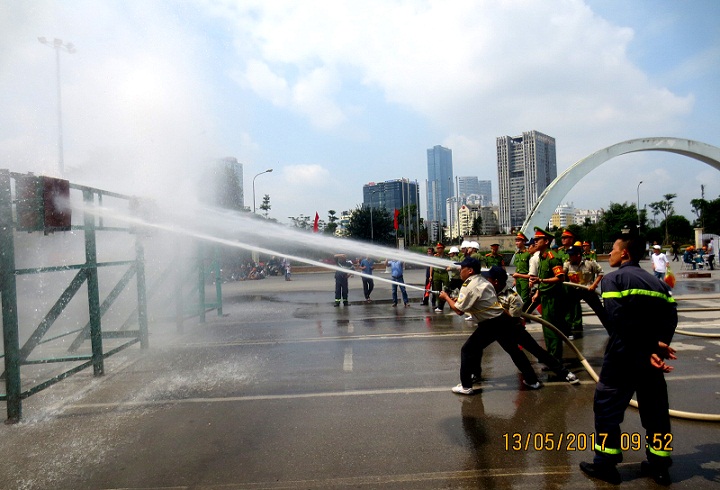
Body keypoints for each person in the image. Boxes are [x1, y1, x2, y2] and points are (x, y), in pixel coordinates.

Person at [579, 233, 677, 486]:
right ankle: (660, 467)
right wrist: (659, 346)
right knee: (656, 412)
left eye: (612, 249)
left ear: (624, 253)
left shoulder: (614, 279)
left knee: (607, 409)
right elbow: (671, 318)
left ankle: (605, 465)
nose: (609, 253)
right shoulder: (659, 285)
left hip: (624, 355)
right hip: (650, 359)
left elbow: (617, 321)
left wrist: (648, 347)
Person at [439, 258, 546, 394]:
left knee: (467, 350)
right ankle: (532, 381)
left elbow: (459, 311)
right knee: (513, 350)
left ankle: (466, 386)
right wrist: (457, 300)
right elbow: (479, 302)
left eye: (462, 268)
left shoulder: (469, 285)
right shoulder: (482, 281)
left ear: (470, 270)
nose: (460, 271)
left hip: (490, 324)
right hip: (501, 320)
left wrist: (446, 298)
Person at [485, 266, 579, 385]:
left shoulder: (513, 297)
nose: (487, 282)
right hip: (495, 328)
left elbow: (513, 320)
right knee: (474, 349)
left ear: (496, 281)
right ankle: (531, 379)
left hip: (513, 329)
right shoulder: (488, 292)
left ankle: (565, 374)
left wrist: (498, 308)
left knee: (536, 351)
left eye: (489, 279)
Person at [528, 227, 570, 362]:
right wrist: (538, 292)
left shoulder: (553, 257)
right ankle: (551, 356)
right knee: (547, 329)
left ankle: (555, 358)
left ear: (546, 241)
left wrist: (541, 281)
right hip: (545, 296)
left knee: (553, 329)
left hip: (554, 297)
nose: (534, 242)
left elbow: (560, 277)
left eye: (537, 239)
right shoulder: (541, 257)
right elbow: (543, 275)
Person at [563, 245, 606, 338]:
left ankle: (612, 330)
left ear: (578, 255)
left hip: (587, 290)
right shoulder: (567, 264)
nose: (569, 257)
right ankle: (566, 332)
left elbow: (601, 272)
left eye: (571, 255)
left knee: (600, 310)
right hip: (573, 290)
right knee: (566, 310)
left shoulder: (589, 263)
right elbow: (562, 274)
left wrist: (594, 284)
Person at [511, 232, 532, 307]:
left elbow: (531, 268)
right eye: (516, 241)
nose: (516, 243)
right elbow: (517, 268)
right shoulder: (517, 254)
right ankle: (520, 314)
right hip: (518, 279)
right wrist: (515, 280)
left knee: (524, 298)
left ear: (524, 242)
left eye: (518, 241)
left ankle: (525, 316)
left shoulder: (528, 253)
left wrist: (530, 280)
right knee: (518, 298)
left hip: (525, 279)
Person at [432, 243, 449, 312]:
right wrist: (430, 275)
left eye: (441, 248)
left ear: (443, 249)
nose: (439, 249)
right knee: (437, 290)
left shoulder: (446, 256)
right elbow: (431, 266)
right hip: (436, 273)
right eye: (438, 248)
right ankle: (439, 304)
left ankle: (447, 302)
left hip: (444, 273)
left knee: (446, 289)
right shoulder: (434, 257)